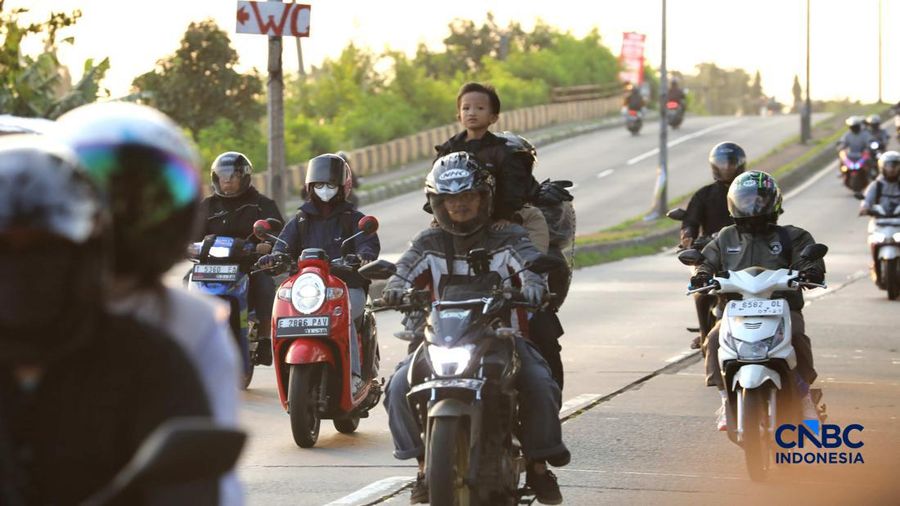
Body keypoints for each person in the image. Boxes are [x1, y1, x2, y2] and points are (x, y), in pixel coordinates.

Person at [0, 135, 216, 505]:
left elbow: (189, 488)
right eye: (3, 250)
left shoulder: (150, 364)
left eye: (45, 249)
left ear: (87, 256)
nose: (21, 271)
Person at [55, 102, 244, 505]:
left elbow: (212, 478)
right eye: (103, 197)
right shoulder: (23, 308)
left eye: (140, 199)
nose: (118, 217)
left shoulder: (191, 321)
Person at [381, 153, 569, 505]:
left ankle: (539, 466)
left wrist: (533, 285)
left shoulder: (509, 236)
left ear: (484, 198)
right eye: (450, 199)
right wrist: (394, 288)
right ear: (437, 203)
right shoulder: (428, 242)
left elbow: (529, 262)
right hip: (441, 339)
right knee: (396, 387)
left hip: (504, 338)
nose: (459, 205)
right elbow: (403, 270)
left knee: (540, 384)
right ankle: (423, 468)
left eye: (467, 196)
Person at [690, 171, 825, 430]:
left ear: (774, 202)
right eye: (746, 199)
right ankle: (724, 400)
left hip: (782, 307)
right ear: (733, 203)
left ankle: (805, 397)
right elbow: (706, 261)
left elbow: (808, 258)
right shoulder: (725, 237)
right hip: (736, 310)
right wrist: (701, 274)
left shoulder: (792, 236)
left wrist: (811, 270)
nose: (752, 206)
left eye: (759, 199)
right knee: (714, 339)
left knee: (796, 336)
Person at [259, 153, 380, 385]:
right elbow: (282, 245)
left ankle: (354, 376)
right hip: (307, 290)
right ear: (310, 187)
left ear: (342, 187)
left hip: (346, 286)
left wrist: (364, 256)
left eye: (331, 185)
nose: (325, 190)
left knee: (344, 316)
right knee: (283, 315)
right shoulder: (300, 220)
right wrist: (274, 258)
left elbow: (367, 243)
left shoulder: (353, 219)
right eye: (319, 185)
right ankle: (287, 372)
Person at [195, 151, 284, 365]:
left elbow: (279, 234)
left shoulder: (261, 204)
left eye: (233, 175)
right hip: (211, 267)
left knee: (265, 286)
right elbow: (189, 234)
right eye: (222, 175)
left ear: (243, 177)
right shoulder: (207, 206)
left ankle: (264, 339)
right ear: (215, 178)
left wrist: (267, 246)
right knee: (186, 282)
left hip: (250, 265)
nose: (227, 180)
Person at [680, 142, 746, 348]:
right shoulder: (704, 194)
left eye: (731, 163)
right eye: (722, 164)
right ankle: (704, 333)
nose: (727, 168)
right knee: (700, 291)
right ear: (714, 166)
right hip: (710, 253)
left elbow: (770, 215)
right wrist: (688, 235)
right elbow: (690, 221)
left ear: (740, 164)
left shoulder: (750, 191)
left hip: (746, 250)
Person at [859, 151, 900, 284]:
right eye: (888, 165)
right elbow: (867, 200)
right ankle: (875, 266)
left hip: (898, 223)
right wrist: (865, 208)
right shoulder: (876, 185)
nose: (892, 169)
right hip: (880, 223)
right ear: (882, 167)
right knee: (873, 241)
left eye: (895, 165)